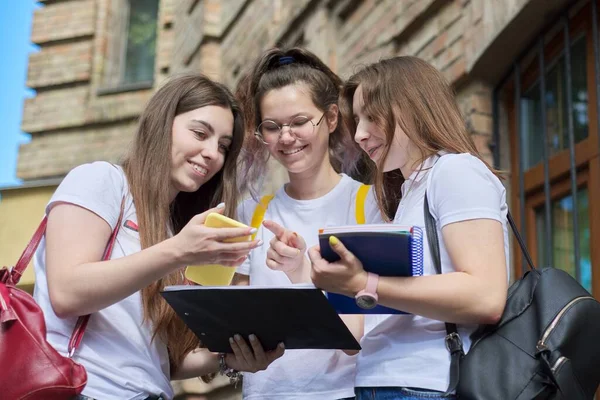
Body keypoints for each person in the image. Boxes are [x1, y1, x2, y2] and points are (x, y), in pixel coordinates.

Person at [32, 73, 284, 400]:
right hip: (84, 390)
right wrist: (178, 251)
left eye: (223, 146)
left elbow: (163, 359)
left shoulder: (174, 230)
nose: (212, 154)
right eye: (199, 133)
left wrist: (230, 355)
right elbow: (66, 293)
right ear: (161, 124)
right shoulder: (102, 181)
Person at [308, 56, 510, 400]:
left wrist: (366, 283)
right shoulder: (402, 197)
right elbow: (361, 334)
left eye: (372, 117)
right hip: (379, 381)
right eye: (357, 121)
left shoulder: (454, 171)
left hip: (426, 384)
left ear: (412, 108)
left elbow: (486, 296)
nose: (359, 135)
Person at [231, 47, 378, 400]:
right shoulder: (250, 213)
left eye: (299, 122)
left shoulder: (367, 205)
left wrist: (304, 274)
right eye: (272, 127)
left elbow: (359, 339)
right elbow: (236, 322)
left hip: (343, 393)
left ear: (330, 119)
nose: (285, 137)